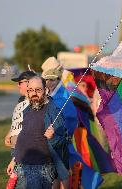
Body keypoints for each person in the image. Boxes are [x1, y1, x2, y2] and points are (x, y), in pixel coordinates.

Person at [7, 76, 68, 189]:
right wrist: (14, 159)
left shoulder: (53, 111)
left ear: (46, 90)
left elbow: (64, 141)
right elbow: (24, 137)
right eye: (30, 90)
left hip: (41, 170)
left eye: (38, 90)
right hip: (21, 167)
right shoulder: (28, 109)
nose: (34, 93)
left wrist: (52, 137)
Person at [41, 57, 78, 189]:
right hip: (48, 141)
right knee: (53, 174)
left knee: (62, 174)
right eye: (46, 79)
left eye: (51, 79)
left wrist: (60, 133)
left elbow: (71, 118)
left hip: (60, 141)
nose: (48, 82)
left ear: (58, 79)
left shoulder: (63, 95)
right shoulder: (48, 93)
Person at [4, 70, 36, 148]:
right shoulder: (21, 100)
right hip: (16, 147)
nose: (18, 86)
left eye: (20, 83)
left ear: (28, 82)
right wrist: (9, 133)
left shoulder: (37, 101)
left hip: (27, 147)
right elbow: (18, 121)